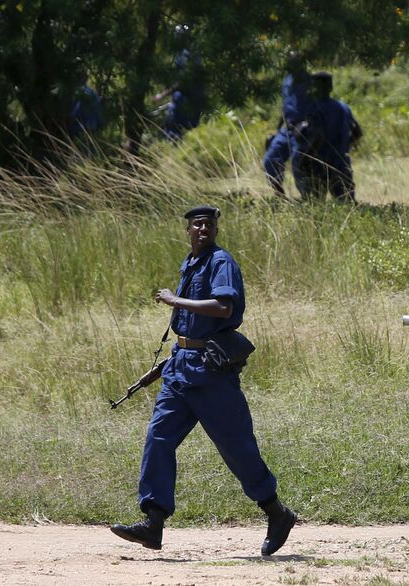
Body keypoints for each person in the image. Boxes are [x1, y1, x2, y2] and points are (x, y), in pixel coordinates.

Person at [110, 206, 296, 556]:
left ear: (215, 229)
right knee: (159, 437)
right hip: (180, 369)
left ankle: (276, 512)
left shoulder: (221, 262)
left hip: (211, 374)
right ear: (187, 230)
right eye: (197, 224)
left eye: (209, 224)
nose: (203, 229)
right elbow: (190, 327)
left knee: (236, 447)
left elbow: (224, 308)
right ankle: (153, 521)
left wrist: (173, 299)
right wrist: (165, 364)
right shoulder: (190, 262)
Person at [293, 71, 361, 202]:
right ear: (331, 87)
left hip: (319, 164)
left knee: (315, 204)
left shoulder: (314, 107)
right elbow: (357, 132)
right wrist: (343, 146)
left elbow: (318, 136)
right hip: (341, 163)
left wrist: (304, 158)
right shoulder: (343, 107)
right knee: (346, 203)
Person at [263, 50, 312, 195]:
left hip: (304, 129)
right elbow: (286, 106)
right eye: (289, 63)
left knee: (299, 162)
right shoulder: (287, 80)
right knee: (270, 159)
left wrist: (308, 125)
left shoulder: (309, 81)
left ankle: (307, 198)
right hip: (287, 129)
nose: (291, 66)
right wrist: (278, 129)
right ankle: (278, 194)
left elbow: (317, 107)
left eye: (294, 63)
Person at [162, 24, 207, 142]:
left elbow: (183, 81)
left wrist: (162, 95)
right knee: (190, 132)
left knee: (174, 131)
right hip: (196, 99)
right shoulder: (195, 53)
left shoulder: (185, 55)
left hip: (186, 99)